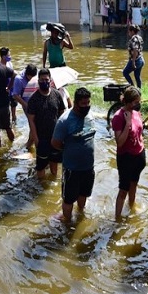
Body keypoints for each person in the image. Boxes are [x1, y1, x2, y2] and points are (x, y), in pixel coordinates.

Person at [51, 87, 96, 223]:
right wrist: (70, 149)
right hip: (72, 169)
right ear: (76, 103)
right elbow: (55, 143)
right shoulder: (64, 121)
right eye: (83, 104)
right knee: (69, 199)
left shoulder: (90, 115)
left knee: (84, 194)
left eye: (88, 103)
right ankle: (66, 221)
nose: (86, 106)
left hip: (88, 167)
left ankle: (80, 215)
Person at [111, 86, 145, 221]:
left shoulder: (136, 113)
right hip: (126, 158)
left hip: (138, 156)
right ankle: (117, 218)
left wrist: (142, 146)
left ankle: (131, 206)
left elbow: (139, 133)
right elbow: (119, 142)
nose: (138, 104)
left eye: (138, 101)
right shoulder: (118, 117)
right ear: (127, 102)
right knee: (123, 189)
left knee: (134, 184)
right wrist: (127, 123)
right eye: (136, 102)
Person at [27, 68, 66, 179]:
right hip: (41, 138)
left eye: (46, 79)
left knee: (55, 164)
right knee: (41, 167)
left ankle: (52, 185)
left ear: (50, 80)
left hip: (56, 137)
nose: (44, 82)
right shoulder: (33, 99)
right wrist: (36, 139)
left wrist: (62, 136)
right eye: (42, 80)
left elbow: (61, 116)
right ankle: (40, 188)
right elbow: (31, 121)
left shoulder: (57, 94)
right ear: (38, 81)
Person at [12, 64, 38, 148]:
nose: (34, 79)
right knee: (33, 125)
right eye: (32, 77)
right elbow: (15, 95)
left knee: (37, 125)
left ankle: (30, 144)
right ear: (27, 75)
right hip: (27, 105)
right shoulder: (19, 79)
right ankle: (28, 147)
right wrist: (26, 105)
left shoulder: (35, 75)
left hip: (36, 102)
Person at [0, 47, 17, 122]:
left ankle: (14, 123)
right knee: (5, 110)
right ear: (3, 57)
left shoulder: (10, 64)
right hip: (5, 90)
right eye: (8, 55)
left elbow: (13, 76)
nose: (10, 57)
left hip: (12, 89)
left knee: (14, 107)